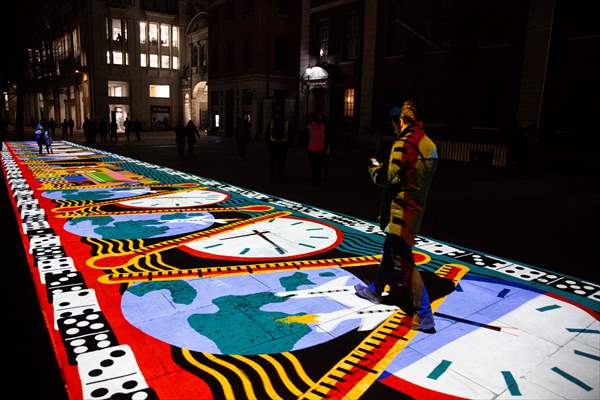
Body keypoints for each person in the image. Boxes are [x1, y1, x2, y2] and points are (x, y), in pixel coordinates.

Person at [354, 101, 439, 333]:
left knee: (405, 263)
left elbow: (386, 178)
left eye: (394, 123)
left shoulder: (404, 143)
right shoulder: (429, 144)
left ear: (400, 121)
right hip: (416, 209)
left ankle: (424, 314)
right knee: (391, 251)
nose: (393, 128)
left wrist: (373, 167)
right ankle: (375, 289)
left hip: (401, 212)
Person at [265, 111, 289, 183]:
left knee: (272, 163)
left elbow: (267, 133)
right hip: (283, 145)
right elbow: (290, 134)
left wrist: (269, 143)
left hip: (273, 145)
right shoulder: (286, 122)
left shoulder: (271, 122)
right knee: (281, 162)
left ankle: (271, 178)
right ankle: (281, 177)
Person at [306, 114, 328, 185]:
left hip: (312, 148)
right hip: (320, 148)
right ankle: (318, 178)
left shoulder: (310, 127)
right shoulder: (322, 126)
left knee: (313, 165)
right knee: (318, 165)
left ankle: (314, 178)